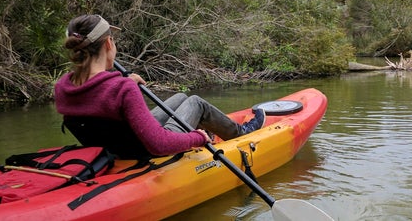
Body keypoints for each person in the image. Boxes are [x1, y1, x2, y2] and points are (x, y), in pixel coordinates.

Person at [54, 14, 265, 158]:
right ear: (109, 44)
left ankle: (223, 127)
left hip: (116, 145)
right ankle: (241, 133)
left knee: (181, 99)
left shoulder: (63, 87)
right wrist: (196, 138)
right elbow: (159, 144)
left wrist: (125, 82)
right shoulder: (121, 89)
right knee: (195, 103)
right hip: (142, 150)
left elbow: (99, 99)